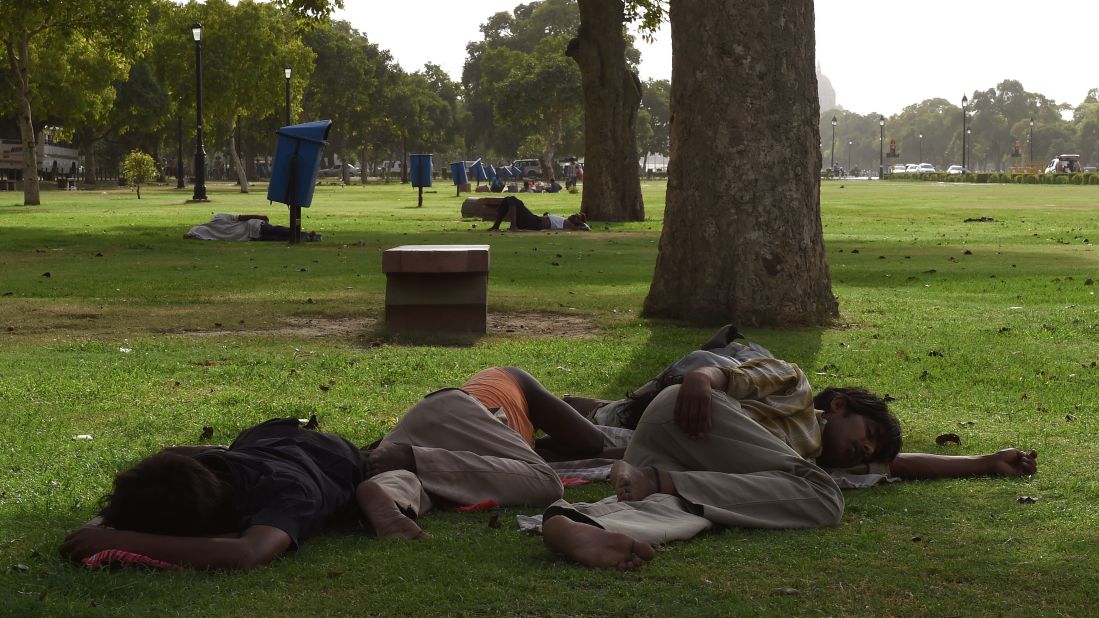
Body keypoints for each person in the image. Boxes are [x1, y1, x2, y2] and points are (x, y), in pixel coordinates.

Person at [542, 326, 1039, 570]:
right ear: (839, 405)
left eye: (869, 453)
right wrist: (699, 377)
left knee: (704, 511)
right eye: (865, 435)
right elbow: (735, 373)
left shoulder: (801, 468)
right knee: (823, 499)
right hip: (687, 415)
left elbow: (898, 466)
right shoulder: (797, 389)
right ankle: (655, 483)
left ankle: (586, 525)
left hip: (663, 463)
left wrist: (984, 462)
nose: (862, 451)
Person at [59, 417, 370, 570]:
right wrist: (96, 525)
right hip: (261, 438)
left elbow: (248, 552)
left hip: (331, 456)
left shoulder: (287, 494)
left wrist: (117, 540)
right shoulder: (193, 469)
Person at [358, 367, 611, 540]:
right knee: (547, 481)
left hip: (419, 432)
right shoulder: (516, 379)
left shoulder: (518, 442)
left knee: (437, 484)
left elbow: (496, 466)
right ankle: (413, 459)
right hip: (452, 410)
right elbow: (591, 441)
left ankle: (390, 494)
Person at [184, 213, 321, 242]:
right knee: (278, 233)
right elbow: (241, 216)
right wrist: (261, 216)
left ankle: (306, 236)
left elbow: (192, 233)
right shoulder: (218, 217)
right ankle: (306, 236)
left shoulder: (203, 230)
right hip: (251, 229)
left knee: (277, 234)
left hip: (251, 232)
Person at [486, 196, 590, 232]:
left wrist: (582, 223)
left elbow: (587, 228)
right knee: (506, 200)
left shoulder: (571, 225)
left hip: (534, 223)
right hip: (533, 220)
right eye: (575, 214)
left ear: (578, 222)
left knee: (513, 200)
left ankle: (513, 226)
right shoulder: (565, 221)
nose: (574, 215)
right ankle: (496, 226)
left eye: (576, 217)